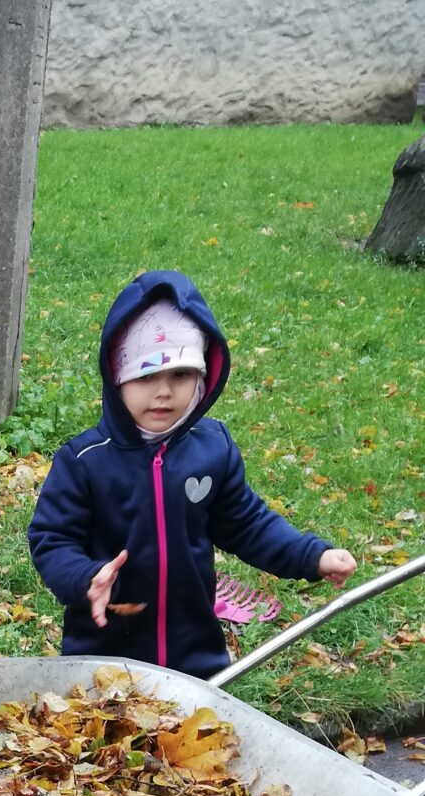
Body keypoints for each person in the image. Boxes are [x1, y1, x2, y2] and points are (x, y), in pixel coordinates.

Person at [27, 270, 356, 678]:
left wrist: (312, 556)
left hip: (195, 657)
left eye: (180, 375)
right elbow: (52, 539)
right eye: (146, 376)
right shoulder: (85, 461)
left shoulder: (212, 448)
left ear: (202, 376)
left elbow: (247, 523)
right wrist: (85, 577)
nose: (163, 392)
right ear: (117, 378)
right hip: (103, 658)